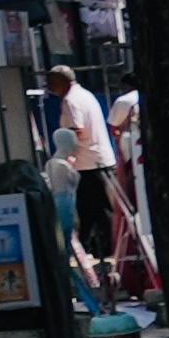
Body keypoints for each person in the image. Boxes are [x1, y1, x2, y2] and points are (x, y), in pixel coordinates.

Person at [51, 72, 123, 288]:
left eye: (52, 82)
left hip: (88, 163)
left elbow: (77, 130)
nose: (50, 88)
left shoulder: (71, 101)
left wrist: (67, 152)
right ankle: (92, 249)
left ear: (62, 81)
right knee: (93, 211)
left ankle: (104, 251)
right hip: (97, 160)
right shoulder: (85, 95)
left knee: (95, 211)